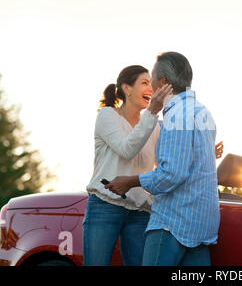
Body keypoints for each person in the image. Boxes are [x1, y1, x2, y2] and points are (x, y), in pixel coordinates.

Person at [104, 52, 221, 266]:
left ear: (164, 82)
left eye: (153, 79)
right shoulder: (204, 113)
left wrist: (129, 182)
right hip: (202, 226)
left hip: (173, 224)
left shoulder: (177, 115)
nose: (151, 85)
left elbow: (172, 174)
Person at [82, 65, 173, 266]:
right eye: (144, 83)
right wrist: (152, 112)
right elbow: (127, 149)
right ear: (126, 88)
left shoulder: (153, 126)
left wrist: (208, 151)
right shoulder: (107, 116)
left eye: (152, 83)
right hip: (105, 205)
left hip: (140, 210)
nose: (151, 88)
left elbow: (169, 159)